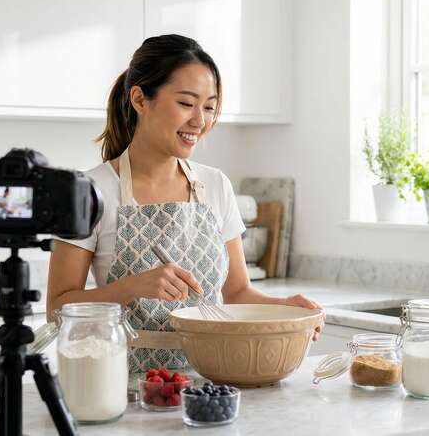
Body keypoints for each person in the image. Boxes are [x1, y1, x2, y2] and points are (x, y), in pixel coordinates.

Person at [47, 34, 322, 373]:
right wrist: (131, 287)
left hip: (213, 380)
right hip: (126, 386)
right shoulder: (89, 190)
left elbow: (236, 292)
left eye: (208, 107)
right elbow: (57, 310)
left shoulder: (216, 185)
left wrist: (287, 307)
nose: (200, 121)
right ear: (139, 99)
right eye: (186, 103)